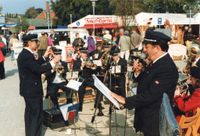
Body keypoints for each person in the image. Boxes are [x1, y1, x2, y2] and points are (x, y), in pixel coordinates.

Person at [111, 29, 179, 136]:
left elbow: (151, 95)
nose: (144, 50)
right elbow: (147, 80)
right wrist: (137, 72)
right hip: (147, 117)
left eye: (146, 47)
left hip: (155, 122)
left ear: (156, 48)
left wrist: (125, 100)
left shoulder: (166, 67)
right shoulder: (156, 62)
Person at [17, 34, 61, 136]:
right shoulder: (26, 56)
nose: (37, 43)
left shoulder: (27, 54)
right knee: (35, 115)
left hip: (30, 90)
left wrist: (45, 57)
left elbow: (35, 64)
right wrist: (53, 62)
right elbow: (38, 69)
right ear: (29, 43)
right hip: (32, 91)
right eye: (35, 41)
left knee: (31, 114)